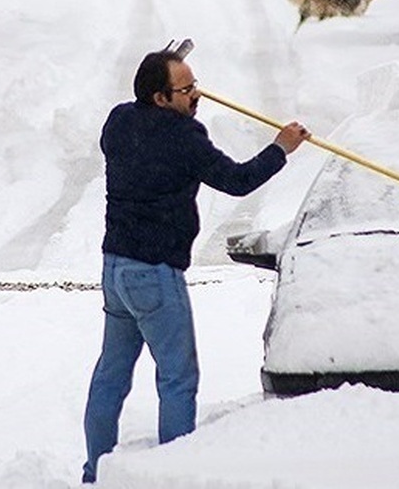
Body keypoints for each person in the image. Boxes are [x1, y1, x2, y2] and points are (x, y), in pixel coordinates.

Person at [81, 48, 310, 483]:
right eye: (186, 90)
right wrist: (282, 147)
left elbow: (140, 123)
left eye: (195, 85)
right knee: (178, 378)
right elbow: (238, 180)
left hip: (116, 271)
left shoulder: (118, 121)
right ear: (160, 98)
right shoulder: (184, 138)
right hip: (155, 276)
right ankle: (176, 475)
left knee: (111, 375)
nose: (197, 95)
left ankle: (95, 472)